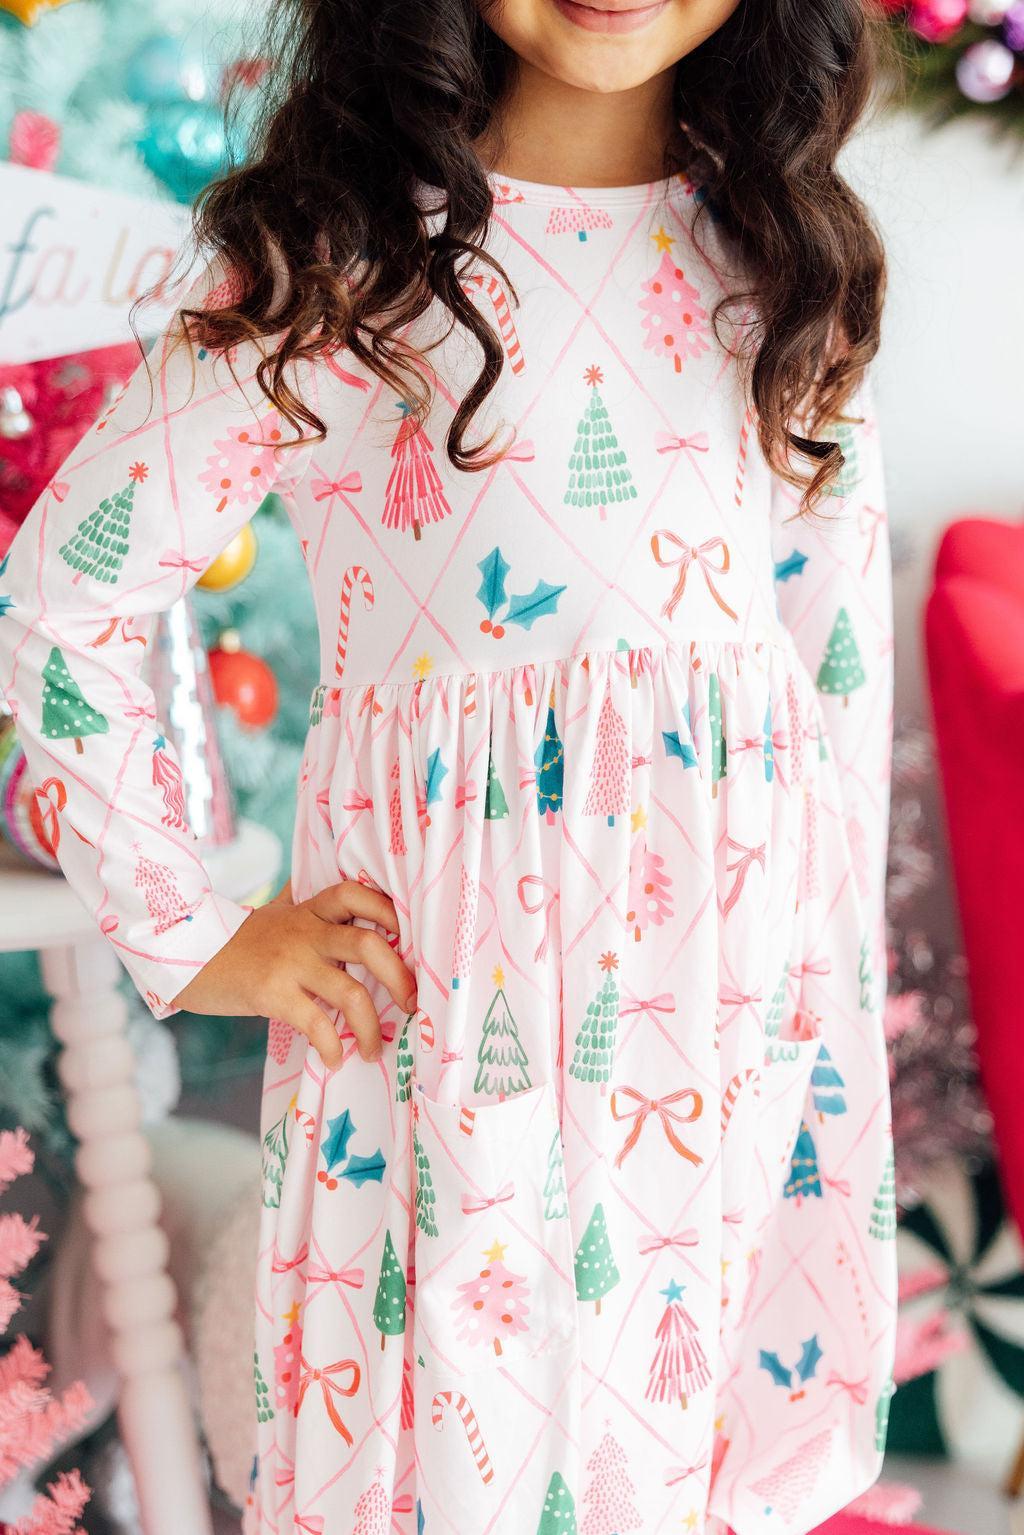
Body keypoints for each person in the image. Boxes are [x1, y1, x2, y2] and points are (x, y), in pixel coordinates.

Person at [0, 0, 898, 1529]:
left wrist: (825, 1021)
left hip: (726, 1024)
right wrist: (195, 932)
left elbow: (832, 680)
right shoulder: (338, 266)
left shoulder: (791, 263)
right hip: (454, 1036)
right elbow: (64, 598)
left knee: (681, 1464)